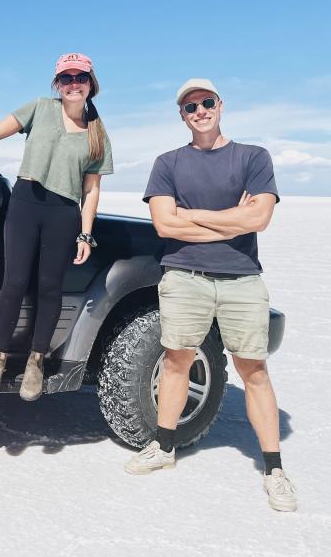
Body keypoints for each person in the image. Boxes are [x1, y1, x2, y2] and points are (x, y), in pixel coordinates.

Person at [124, 78, 296, 512]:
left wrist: (194, 214)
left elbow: (259, 219)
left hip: (241, 278)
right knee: (177, 357)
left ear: (220, 104)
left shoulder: (253, 157)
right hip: (184, 276)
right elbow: (165, 226)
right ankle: (164, 447)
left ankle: (274, 468)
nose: (199, 111)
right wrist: (231, 218)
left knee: (252, 368)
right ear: (181, 116)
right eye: (190, 107)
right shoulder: (168, 163)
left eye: (206, 102)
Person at [0, 52, 113, 401]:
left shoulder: (97, 133)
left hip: (64, 212)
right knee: (16, 283)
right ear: (57, 84)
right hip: (25, 203)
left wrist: (85, 232)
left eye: (79, 78)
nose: (73, 85)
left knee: (49, 288)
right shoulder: (40, 108)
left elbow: (91, 189)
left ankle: (36, 362)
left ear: (90, 83)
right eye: (66, 78)